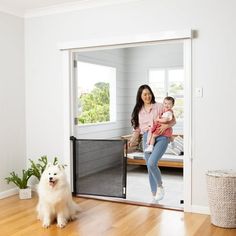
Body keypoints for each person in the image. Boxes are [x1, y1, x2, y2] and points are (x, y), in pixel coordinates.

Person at [129, 85, 176, 202]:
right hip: (147, 138)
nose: (147, 96)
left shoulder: (160, 106)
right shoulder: (138, 111)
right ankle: (154, 196)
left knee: (151, 162)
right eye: (145, 94)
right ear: (140, 96)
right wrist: (132, 140)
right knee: (150, 167)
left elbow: (173, 120)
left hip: (162, 136)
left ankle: (160, 186)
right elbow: (137, 129)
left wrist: (166, 125)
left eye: (149, 93)